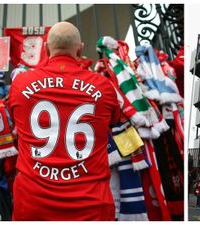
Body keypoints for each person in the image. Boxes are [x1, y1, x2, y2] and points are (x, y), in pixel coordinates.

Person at [9, 22, 120, 220]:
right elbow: (114, 120)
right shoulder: (103, 86)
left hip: (33, 205)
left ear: (45, 48)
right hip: (91, 205)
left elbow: (15, 120)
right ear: (81, 49)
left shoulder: (20, 84)